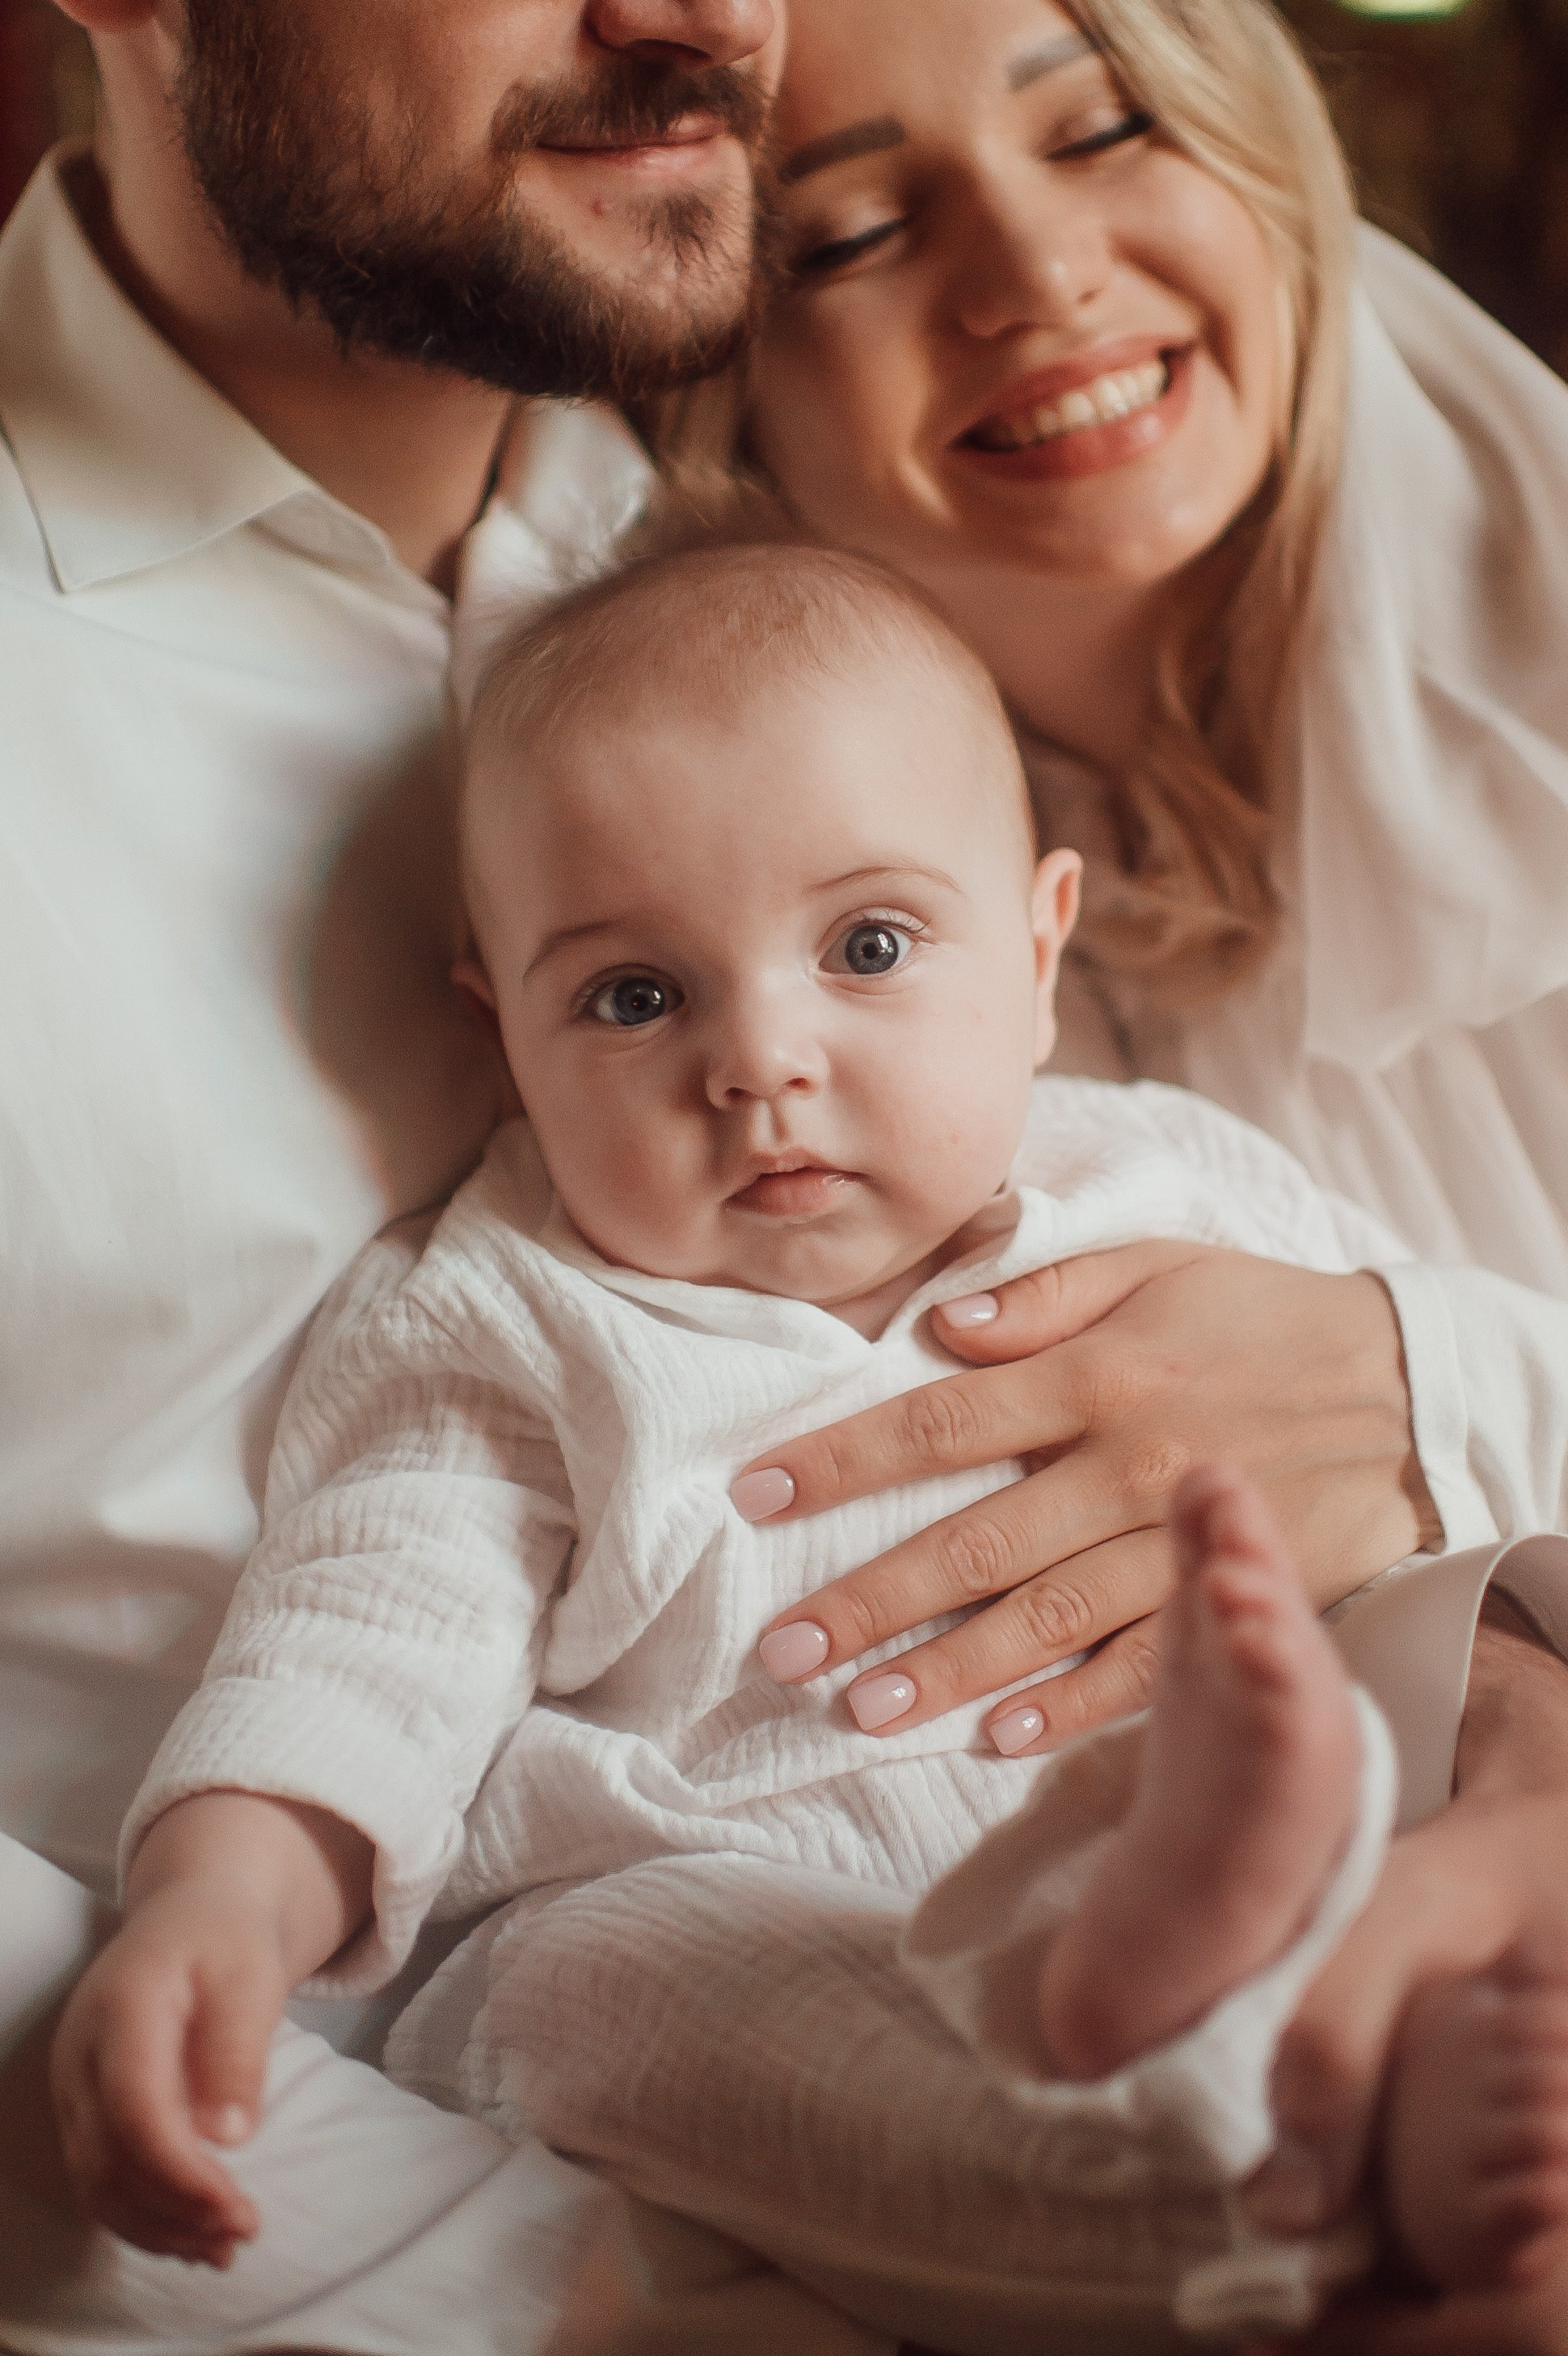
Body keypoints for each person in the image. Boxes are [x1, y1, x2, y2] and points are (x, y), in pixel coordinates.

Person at [0, 0, 1561, 2347]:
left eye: (863, 947)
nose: (704, 8)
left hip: (1129, 1835)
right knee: (671, 1984)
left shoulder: (798, 556)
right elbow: (373, 1623)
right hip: (622, 1988)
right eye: (629, 999)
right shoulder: (508, 1308)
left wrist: (1461, 1619)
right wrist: (234, 1911)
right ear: (487, 1000)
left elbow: (1426, 1445)